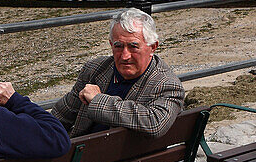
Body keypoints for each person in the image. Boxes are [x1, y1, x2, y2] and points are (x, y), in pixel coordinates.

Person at [53, 8, 185, 139]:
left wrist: (97, 100)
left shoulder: (167, 84)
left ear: (153, 47)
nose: (125, 56)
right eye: (118, 46)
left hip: (123, 158)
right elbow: (61, 115)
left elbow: (154, 123)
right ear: (111, 44)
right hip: (82, 152)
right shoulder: (95, 69)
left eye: (133, 46)